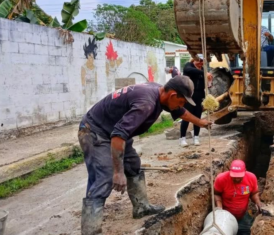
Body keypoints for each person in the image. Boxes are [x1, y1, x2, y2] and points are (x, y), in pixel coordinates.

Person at [78, 75, 211, 235]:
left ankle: (141, 207)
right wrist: (118, 172)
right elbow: (118, 136)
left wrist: (200, 122)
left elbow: (181, 112)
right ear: (173, 95)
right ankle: (90, 231)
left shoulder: (160, 92)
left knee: (133, 165)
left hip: (114, 132)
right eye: (181, 102)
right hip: (95, 131)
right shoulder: (146, 103)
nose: (179, 107)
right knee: (103, 178)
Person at [214, 160, 262, 235]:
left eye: (239, 177)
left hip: (242, 216)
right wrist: (220, 209)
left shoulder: (251, 178)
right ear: (229, 171)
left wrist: (257, 202)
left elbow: (254, 193)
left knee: (250, 231)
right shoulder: (221, 179)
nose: (236, 179)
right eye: (234, 176)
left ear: (245, 171)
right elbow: (217, 194)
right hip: (226, 217)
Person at [180, 58, 213, 147]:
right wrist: (204, 73)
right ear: (193, 60)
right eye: (198, 61)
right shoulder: (188, 66)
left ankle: (196, 137)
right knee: (186, 117)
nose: (200, 63)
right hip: (189, 96)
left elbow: (207, 85)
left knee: (197, 117)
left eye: (202, 61)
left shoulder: (203, 70)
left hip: (199, 97)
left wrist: (209, 80)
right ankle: (182, 138)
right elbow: (189, 70)